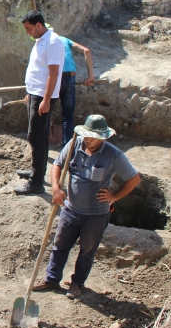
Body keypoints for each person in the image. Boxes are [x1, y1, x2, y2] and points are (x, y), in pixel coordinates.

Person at [34, 114, 141, 299]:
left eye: (92, 137)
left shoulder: (114, 155)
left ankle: (77, 283)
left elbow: (134, 179)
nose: (87, 140)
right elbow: (57, 165)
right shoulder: (75, 144)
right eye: (86, 135)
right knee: (59, 246)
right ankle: (51, 279)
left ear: (103, 137)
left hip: (95, 216)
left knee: (87, 251)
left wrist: (114, 196)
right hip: (70, 209)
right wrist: (56, 188)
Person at [14, 11, 64, 195]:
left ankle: (36, 183)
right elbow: (39, 70)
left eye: (29, 28)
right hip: (36, 95)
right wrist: (31, 93)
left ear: (39, 25)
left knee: (36, 137)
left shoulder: (52, 42)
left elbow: (53, 73)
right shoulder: (41, 41)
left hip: (43, 97)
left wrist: (46, 100)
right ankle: (36, 171)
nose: (28, 32)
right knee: (38, 136)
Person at [56, 33, 95, 146]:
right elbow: (86, 51)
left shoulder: (44, 41)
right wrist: (90, 76)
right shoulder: (64, 39)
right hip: (70, 76)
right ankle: (68, 149)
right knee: (68, 115)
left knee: (45, 112)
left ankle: (43, 146)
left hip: (54, 76)